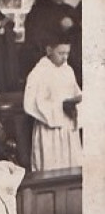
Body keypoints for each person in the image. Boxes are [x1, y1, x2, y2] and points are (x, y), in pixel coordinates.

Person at [23, 37, 83, 171]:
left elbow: (76, 92)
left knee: (72, 166)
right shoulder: (39, 72)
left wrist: (76, 104)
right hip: (49, 130)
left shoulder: (68, 71)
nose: (65, 58)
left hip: (68, 127)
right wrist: (59, 108)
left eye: (67, 53)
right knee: (52, 167)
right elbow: (31, 103)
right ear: (49, 50)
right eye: (61, 53)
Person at [23, 0, 79, 76]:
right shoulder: (37, 12)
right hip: (48, 60)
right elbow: (37, 41)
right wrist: (60, 28)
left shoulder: (68, 9)